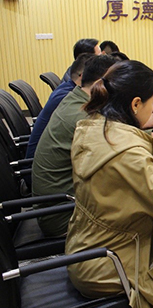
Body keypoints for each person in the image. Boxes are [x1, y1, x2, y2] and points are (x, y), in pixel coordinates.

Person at [65, 60, 153, 308]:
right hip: (109, 261)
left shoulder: (93, 126)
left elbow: (134, 146)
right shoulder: (125, 152)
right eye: (152, 103)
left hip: (86, 247)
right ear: (136, 104)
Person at [32, 55, 120, 237]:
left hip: (60, 204)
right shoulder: (83, 118)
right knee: (138, 202)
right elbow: (120, 153)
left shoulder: (76, 100)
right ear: (101, 84)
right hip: (64, 214)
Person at [26, 53, 93, 158]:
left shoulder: (67, 89)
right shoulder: (66, 98)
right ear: (83, 76)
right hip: (36, 160)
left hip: (48, 156)